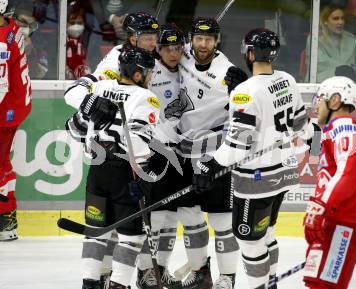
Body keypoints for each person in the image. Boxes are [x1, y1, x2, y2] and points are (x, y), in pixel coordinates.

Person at [193, 28, 315, 289]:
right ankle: (270, 283)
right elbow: (302, 126)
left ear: (249, 53)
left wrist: (210, 165)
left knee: (249, 239)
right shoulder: (288, 80)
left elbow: (238, 144)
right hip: (284, 172)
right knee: (267, 232)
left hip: (257, 181)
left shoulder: (245, 92)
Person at [65, 46, 159, 289]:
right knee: (131, 237)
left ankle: (90, 283)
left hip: (96, 174)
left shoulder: (98, 89)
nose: (151, 77)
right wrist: (141, 178)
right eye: (148, 72)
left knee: (96, 232)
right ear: (137, 74)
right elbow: (137, 140)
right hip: (126, 173)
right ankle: (118, 284)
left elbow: (74, 128)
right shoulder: (146, 98)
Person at [169, 17, 240, 289]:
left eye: (209, 40)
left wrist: (243, 86)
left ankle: (227, 278)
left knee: (222, 221)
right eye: (198, 38)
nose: (203, 44)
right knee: (189, 217)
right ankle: (201, 273)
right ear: (191, 38)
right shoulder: (182, 54)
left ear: (217, 41)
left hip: (214, 154)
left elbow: (241, 114)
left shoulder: (227, 71)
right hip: (185, 153)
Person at [302, 76, 356, 289]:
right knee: (317, 282)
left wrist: (320, 208)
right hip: (338, 218)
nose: (316, 105)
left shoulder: (345, 126)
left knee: (325, 285)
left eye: (320, 99)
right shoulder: (342, 129)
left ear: (335, 100)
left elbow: (349, 173)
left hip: (345, 222)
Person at [135, 23, 185, 289]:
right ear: (159, 48)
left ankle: (161, 267)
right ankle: (145, 270)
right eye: (168, 48)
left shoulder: (187, 71)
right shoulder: (151, 74)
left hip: (179, 152)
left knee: (171, 216)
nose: (174, 54)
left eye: (178, 48)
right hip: (155, 150)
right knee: (153, 217)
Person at [0, 0, 32, 242]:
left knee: (1, 167)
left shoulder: (3, 39)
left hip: (6, 110)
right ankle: (7, 219)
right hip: (14, 106)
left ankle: (6, 219)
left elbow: (1, 86)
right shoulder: (12, 28)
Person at [306, 4, 356, 83]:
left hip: (350, 79)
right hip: (322, 81)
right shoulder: (315, 39)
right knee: (345, 71)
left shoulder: (351, 39)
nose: (341, 22)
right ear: (325, 21)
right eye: (335, 19)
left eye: (342, 18)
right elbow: (320, 64)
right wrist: (349, 69)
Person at [66, 1, 91, 80]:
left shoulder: (90, 41)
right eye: (72, 23)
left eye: (79, 23)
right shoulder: (60, 40)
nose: (76, 26)